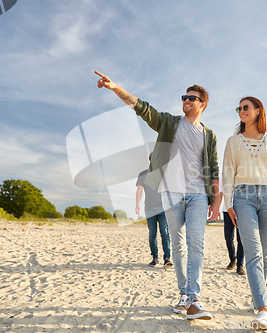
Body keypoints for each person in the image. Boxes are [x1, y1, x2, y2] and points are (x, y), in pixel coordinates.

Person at [95, 71, 220, 321]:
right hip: (170, 193)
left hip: (197, 194)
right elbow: (141, 108)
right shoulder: (169, 123)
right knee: (178, 246)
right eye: (184, 97)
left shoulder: (209, 135)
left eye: (192, 98)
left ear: (202, 104)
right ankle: (184, 295)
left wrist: (216, 201)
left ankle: (194, 298)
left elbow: (214, 169)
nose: (186, 100)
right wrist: (115, 87)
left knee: (196, 245)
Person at [222, 96, 267, 329]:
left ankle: (256, 298)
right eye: (239, 108)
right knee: (253, 252)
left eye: (246, 107)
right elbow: (227, 172)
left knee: (266, 254)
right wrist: (228, 203)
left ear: (258, 111)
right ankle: (262, 309)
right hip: (242, 197)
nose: (241, 111)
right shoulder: (233, 141)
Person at [136, 153, 172, 268]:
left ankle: (167, 258)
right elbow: (139, 190)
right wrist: (137, 204)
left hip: (163, 208)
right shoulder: (143, 174)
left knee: (164, 233)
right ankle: (155, 258)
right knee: (153, 234)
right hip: (150, 208)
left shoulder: (165, 174)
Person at [218, 174, 245, 275]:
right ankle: (233, 259)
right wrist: (217, 208)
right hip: (227, 210)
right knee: (228, 237)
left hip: (242, 209)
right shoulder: (222, 176)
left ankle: (240, 265)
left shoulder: (242, 174)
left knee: (241, 238)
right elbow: (220, 193)